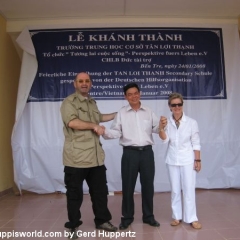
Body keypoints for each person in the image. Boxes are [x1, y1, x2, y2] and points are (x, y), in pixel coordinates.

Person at [60, 72, 118, 238]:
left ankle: (102, 220)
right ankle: (73, 226)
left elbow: (99, 117)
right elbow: (72, 122)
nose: (84, 83)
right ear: (75, 84)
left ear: (90, 83)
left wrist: (118, 114)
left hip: (96, 158)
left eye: (87, 81)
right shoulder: (68, 102)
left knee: (100, 193)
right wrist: (94, 126)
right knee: (74, 195)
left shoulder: (92, 102)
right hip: (76, 158)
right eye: (80, 81)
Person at [102, 83, 167, 230]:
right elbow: (116, 132)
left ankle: (149, 217)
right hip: (130, 153)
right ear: (125, 97)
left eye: (135, 93)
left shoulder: (149, 111)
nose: (133, 96)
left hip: (147, 153)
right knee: (128, 186)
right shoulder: (121, 113)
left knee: (148, 186)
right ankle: (127, 218)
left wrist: (162, 125)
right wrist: (103, 132)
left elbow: (157, 129)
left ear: (140, 93)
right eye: (129, 94)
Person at [159, 92, 202, 229]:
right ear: (169, 106)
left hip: (188, 159)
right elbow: (165, 140)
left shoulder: (191, 122)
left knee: (189, 189)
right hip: (172, 159)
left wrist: (198, 160)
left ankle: (192, 218)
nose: (177, 107)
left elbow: (196, 142)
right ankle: (176, 216)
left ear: (182, 105)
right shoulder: (166, 122)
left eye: (179, 104)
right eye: (174, 105)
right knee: (175, 190)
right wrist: (160, 127)